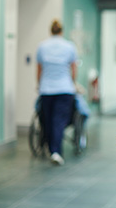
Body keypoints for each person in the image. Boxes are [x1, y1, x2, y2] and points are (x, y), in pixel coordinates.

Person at [36, 19, 78, 166]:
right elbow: (73, 69)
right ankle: (56, 151)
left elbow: (39, 70)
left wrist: (39, 85)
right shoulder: (69, 46)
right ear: (61, 31)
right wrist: (73, 83)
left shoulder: (42, 46)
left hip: (46, 89)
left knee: (47, 120)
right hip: (64, 89)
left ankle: (49, 147)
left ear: (51, 30)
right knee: (58, 121)